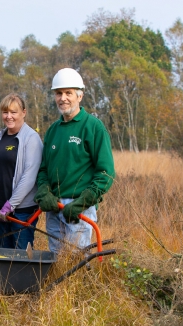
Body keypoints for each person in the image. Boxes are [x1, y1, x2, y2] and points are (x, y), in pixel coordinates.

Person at [34, 68, 115, 254]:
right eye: (59, 93)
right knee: (55, 260)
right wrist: (44, 192)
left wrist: (83, 201)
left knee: (77, 262)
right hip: (54, 207)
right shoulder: (53, 130)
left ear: (80, 95)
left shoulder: (93, 127)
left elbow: (106, 173)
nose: (63, 98)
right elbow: (43, 169)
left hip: (79, 208)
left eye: (68, 93)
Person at [0, 93, 43, 249]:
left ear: (23, 113)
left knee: (21, 256)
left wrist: (11, 205)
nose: (9, 116)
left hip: (21, 212)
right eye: (5, 112)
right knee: (3, 256)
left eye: (13, 112)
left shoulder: (31, 138)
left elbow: (29, 176)